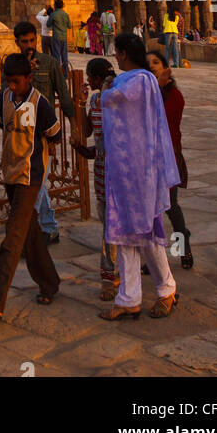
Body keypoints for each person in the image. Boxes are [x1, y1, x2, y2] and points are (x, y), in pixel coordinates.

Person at [98, 33, 181, 321]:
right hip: (124, 170)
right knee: (125, 235)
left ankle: (167, 288)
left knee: (147, 234)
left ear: (122, 54)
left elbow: (112, 99)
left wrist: (104, 89)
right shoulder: (131, 81)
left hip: (141, 170)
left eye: (116, 54)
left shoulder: (140, 81)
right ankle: (129, 298)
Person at [0, 54, 61, 319]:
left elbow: (54, 133)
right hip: (10, 172)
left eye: (17, 82)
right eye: (9, 82)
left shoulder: (40, 104)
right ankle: (50, 282)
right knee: (29, 232)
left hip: (30, 176)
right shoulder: (4, 99)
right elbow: (4, 124)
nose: (12, 87)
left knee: (13, 236)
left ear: (29, 79)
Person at [11, 20, 75, 245]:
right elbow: (7, 99)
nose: (28, 45)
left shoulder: (48, 62)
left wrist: (74, 125)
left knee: (34, 184)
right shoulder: (13, 65)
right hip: (20, 136)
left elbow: (64, 95)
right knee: (33, 183)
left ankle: (23, 232)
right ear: (16, 42)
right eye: (24, 41)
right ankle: (49, 226)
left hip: (43, 137)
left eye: (31, 40)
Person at [70, 57, 119, 300]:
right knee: (112, 225)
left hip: (115, 171)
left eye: (90, 76)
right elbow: (88, 132)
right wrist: (80, 103)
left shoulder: (111, 99)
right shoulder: (97, 99)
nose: (88, 80)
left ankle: (110, 276)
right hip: (104, 168)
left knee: (111, 227)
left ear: (97, 78)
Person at [147, 44, 193, 269]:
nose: (152, 68)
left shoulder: (175, 96)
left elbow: (160, 119)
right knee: (150, 209)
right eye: (148, 66)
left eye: (156, 63)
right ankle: (153, 257)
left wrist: (156, 88)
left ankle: (183, 246)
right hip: (147, 157)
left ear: (166, 68)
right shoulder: (145, 94)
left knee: (170, 207)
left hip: (168, 157)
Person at [49, 0, 71, 76]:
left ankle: (58, 74)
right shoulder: (65, 14)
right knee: (64, 56)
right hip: (64, 37)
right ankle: (66, 74)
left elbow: (48, 24)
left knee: (56, 56)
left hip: (56, 37)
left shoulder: (53, 14)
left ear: (55, 6)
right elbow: (69, 26)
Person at [161, 3, 182, 68]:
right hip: (175, 32)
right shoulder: (177, 17)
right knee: (175, 48)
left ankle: (166, 64)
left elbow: (164, 25)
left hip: (168, 32)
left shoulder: (166, 16)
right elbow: (176, 24)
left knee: (167, 48)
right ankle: (176, 64)